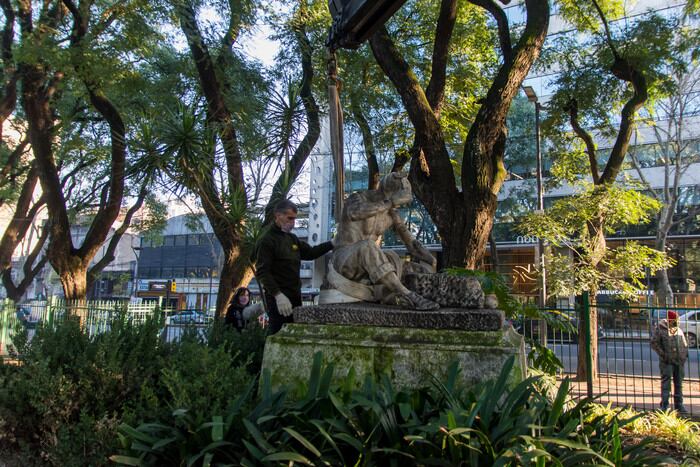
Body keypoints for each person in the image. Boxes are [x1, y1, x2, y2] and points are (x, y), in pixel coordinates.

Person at [330, 172, 439, 310]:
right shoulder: (358, 198)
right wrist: (391, 202)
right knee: (368, 246)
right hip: (344, 259)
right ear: (391, 192)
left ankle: (435, 295)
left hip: (368, 267)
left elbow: (411, 243)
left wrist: (430, 260)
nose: (400, 203)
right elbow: (355, 213)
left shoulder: (392, 214)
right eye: (401, 197)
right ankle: (408, 295)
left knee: (415, 269)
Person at [254, 200, 334, 334]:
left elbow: (311, 253)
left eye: (294, 219)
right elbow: (262, 272)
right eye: (289, 218)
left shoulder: (292, 239)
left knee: (294, 333)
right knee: (278, 333)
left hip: (295, 295)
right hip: (278, 298)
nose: (292, 222)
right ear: (278, 216)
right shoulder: (267, 240)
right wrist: (278, 295)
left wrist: (332, 243)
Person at [650, 310, 689, 413]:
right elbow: (654, 343)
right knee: (666, 383)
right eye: (675, 320)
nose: (677, 322)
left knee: (679, 383)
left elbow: (684, 343)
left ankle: (679, 405)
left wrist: (684, 355)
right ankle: (664, 405)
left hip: (679, 361)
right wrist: (663, 355)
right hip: (667, 361)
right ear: (669, 320)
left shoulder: (678, 329)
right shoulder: (661, 329)